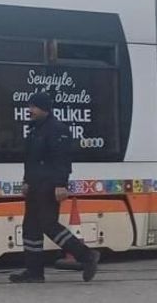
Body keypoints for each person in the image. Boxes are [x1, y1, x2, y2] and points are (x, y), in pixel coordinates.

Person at [10, 91, 100, 284]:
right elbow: (30, 160)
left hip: (49, 185)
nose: (29, 110)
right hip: (35, 184)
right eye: (29, 106)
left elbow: (62, 160)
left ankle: (86, 256)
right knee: (30, 228)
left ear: (44, 108)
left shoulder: (57, 129)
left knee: (48, 224)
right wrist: (26, 181)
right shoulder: (35, 129)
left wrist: (61, 184)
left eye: (33, 106)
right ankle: (34, 272)